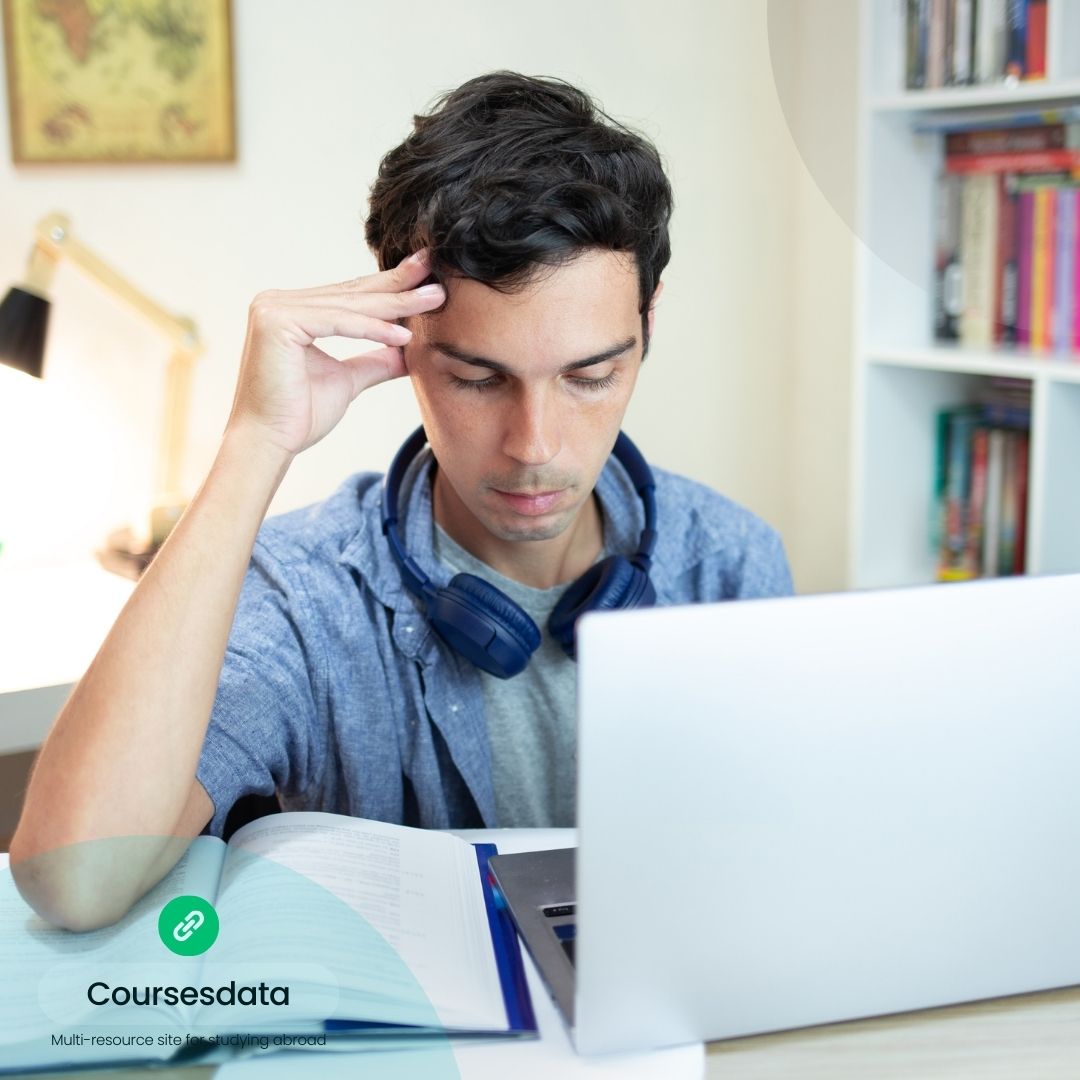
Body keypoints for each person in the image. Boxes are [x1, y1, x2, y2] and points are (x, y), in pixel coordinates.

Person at [11, 71, 792, 931]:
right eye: (476, 377)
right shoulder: (304, 595)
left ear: (648, 324)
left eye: (590, 375)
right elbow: (71, 882)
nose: (534, 446)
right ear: (403, 342)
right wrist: (253, 444)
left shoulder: (728, 559)